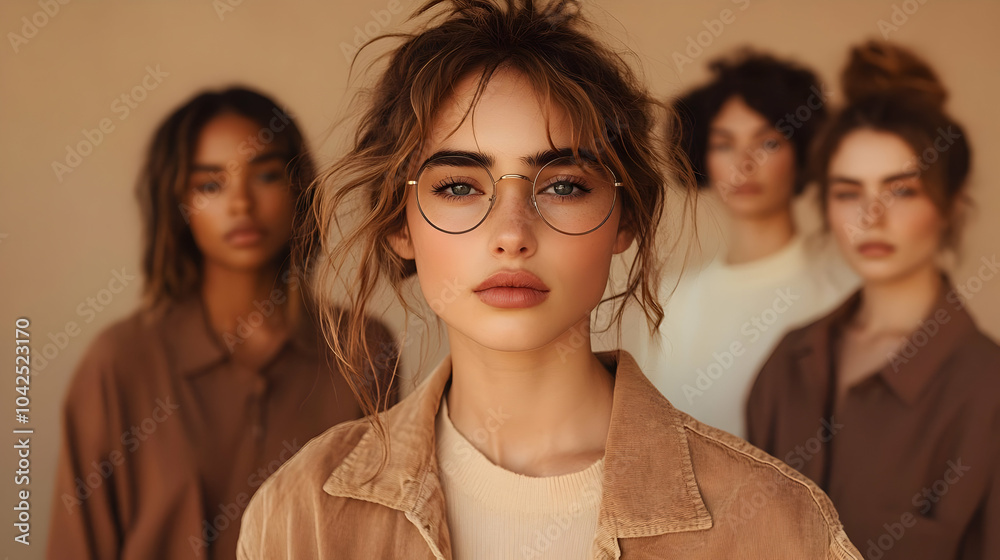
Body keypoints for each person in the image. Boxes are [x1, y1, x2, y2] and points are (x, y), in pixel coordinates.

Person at [237, 2, 861, 558]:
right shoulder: (300, 515)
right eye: (458, 186)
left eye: (563, 185)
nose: (512, 233)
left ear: (625, 220)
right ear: (400, 224)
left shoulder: (776, 525)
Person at [47, 87, 397, 560]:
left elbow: (379, 536)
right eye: (210, 184)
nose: (241, 204)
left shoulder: (362, 348)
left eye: (267, 174)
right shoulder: (120, 362)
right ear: (177, 201)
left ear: (300, 187)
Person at [747, 41, 1000, 560]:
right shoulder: (788, 362)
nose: (871, 217)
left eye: (902, 190)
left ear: (951, 204)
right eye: (847, 192)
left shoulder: (988, 389)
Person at [621, 49, 859, 439]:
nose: (744, 163)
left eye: (767, 143)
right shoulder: (670, 303)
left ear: (802, 152)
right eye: (724, 144)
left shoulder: (845, 292)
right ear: (702, 157)